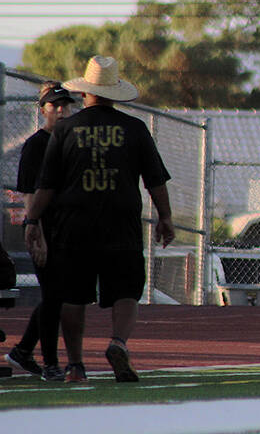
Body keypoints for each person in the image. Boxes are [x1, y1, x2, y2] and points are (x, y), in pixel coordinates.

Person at [25, 56, 174, 384]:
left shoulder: (64, 129)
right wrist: (165, 217)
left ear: (83, 94)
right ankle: (118, 342)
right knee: (127, 290)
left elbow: (46, 185)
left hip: (73, 224)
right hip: (121, 222)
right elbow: (155, 180)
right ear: (114, 92)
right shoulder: (135, 129)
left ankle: (75, 366)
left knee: (72, 294)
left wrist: (32, 221)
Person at [6, 82, 76, 381]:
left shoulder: (72, 140)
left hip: (69, 227)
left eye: (64, 105)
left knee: (58, 296)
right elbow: (30, 193)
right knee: (53, 296)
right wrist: (37, 230)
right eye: (54, 105)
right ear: (43, 109)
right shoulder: (36, 144)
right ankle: (49, 363)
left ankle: (22, 350)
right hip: (44, 228)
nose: (61, 111)